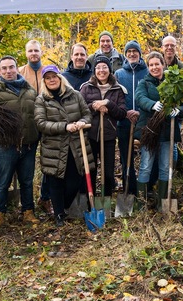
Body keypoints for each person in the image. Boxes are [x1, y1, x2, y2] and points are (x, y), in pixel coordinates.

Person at [0, 56, 40, 229]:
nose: (8, 71)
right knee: (3, 181)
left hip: (28, 143)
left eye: (11, 67)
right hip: (6, 145)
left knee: (27, 181)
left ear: (17, 69)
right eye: (4, 68)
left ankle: (28, 212)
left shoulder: (29, 90)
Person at [34, 65, 94, 226]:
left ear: (60, 78)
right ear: (44, 81)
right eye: (48, 78)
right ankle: (59, 214)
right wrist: (64, 126)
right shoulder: (42, 99)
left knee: (74, 180)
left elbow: (87, 114)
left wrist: (82, 122)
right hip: (54, 147)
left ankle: (64, 207)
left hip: (75, 145)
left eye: (54, 77)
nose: (51, 80)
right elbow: (41, 123)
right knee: (55, 181)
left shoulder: (74, 95)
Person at [135, 52, 183, 206]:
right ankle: (141, 202)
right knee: (146, 165)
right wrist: (152, 105)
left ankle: (162, 201)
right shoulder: (144, 83)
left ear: (163, 64)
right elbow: (140, 98)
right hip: (149, 131)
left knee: (165, 165)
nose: (154, 67)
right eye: (151, 65)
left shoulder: (173, 82)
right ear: (148, 67)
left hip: (167, 131)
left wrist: (179, 110)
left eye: (157, 64)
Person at [80, 56, 127, 198]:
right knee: (91, 169)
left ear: (109, 70)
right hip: (90, 135)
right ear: (94, 70)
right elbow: (80, 109)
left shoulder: (118, 89)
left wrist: (108, 103)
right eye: (98, 67)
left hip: (109, 136)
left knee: (108, 172)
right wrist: (95, 106)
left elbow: (122, 113)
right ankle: (91, 200)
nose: (101, 70)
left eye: (104, 67)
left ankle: (105, 199)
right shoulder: (86, 88)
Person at [18, 39, 51, 212]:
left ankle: (45, 198)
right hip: (28, 125)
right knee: (27, 168)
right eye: (30, 51)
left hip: (47, 124)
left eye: (36, 50)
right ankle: (26, 204)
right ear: (26, 53)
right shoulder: (20, 73)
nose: (33, 53)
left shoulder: (49, 72)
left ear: (41, 52)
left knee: (48, 163)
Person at [114, 40, 148, 196]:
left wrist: (140, 112)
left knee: (147, 157)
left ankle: (146, 189)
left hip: (145, 121)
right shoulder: (119, 74)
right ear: (125, 55)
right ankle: (130, 191)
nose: (132, 54)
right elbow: (116, 97)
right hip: (124, 121)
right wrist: (125, 112)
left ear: (140, 54)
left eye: (135, 51)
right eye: (129, 51)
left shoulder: (147, 72)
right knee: (125, 158)